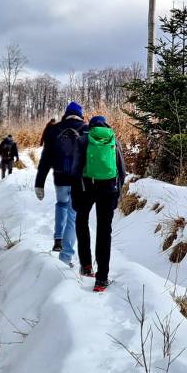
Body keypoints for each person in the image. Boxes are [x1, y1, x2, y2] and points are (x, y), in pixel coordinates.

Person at [73, 114, 126, 292]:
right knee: (104, 231)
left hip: (87, 189)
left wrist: (76, 195)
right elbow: (122, 171)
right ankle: (101, 279)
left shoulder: (82, 140)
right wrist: (117, 192)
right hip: (109, 190)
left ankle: (86, 265)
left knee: (81, 221)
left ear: (91, 127)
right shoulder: (113, 139)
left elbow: (75, 170)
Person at [34, 102, 85, 264]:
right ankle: (65, 257)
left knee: (61, 204)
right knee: (73, 216)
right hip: (79, 180)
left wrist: (39, 183)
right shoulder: (86, 128)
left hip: (60, 178)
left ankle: (58, 238)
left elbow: (45, 159)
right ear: (80, 114)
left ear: (66, 113)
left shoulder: (54, 129)